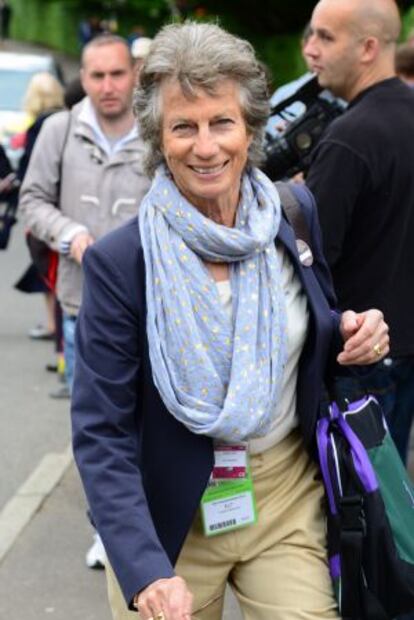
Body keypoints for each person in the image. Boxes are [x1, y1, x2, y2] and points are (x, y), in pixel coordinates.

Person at [70, 22, 389, 620]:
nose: (206, 146)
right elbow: (101, 432)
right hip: (170, 518)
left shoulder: (292, 216)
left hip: (284, 494)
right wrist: (144, 571)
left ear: (249, 130)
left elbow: (303, 321)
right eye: (183, 127)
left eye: (222, 122)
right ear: (158, 139)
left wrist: (350, 330)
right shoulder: (123, 262)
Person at [19, 33, 151, 566]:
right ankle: (109, 529)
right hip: (81, 307)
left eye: (117, 74)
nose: (107, 86)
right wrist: (70, 234)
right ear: (85, 80)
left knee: (150, 424)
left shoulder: (157, 132)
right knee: (101, 429)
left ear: (133, 75)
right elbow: (32, 201)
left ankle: (155, 524)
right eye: (96, 76)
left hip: (151, 306)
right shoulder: (59, 130)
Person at [304, 0, 414, 466]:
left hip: (357, 358)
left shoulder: (349, 138)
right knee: (389, 504)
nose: (310, 49)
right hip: (402, 351)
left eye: (326, 37)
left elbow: (308, 258)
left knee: (354, 516)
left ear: (368, 47)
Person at [15, 72, 65, 342]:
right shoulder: (67, 120)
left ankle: (53, 326)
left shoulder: (40, 127)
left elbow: (32, 171)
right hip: (67, 205)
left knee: (49, 270)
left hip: (48, 209)